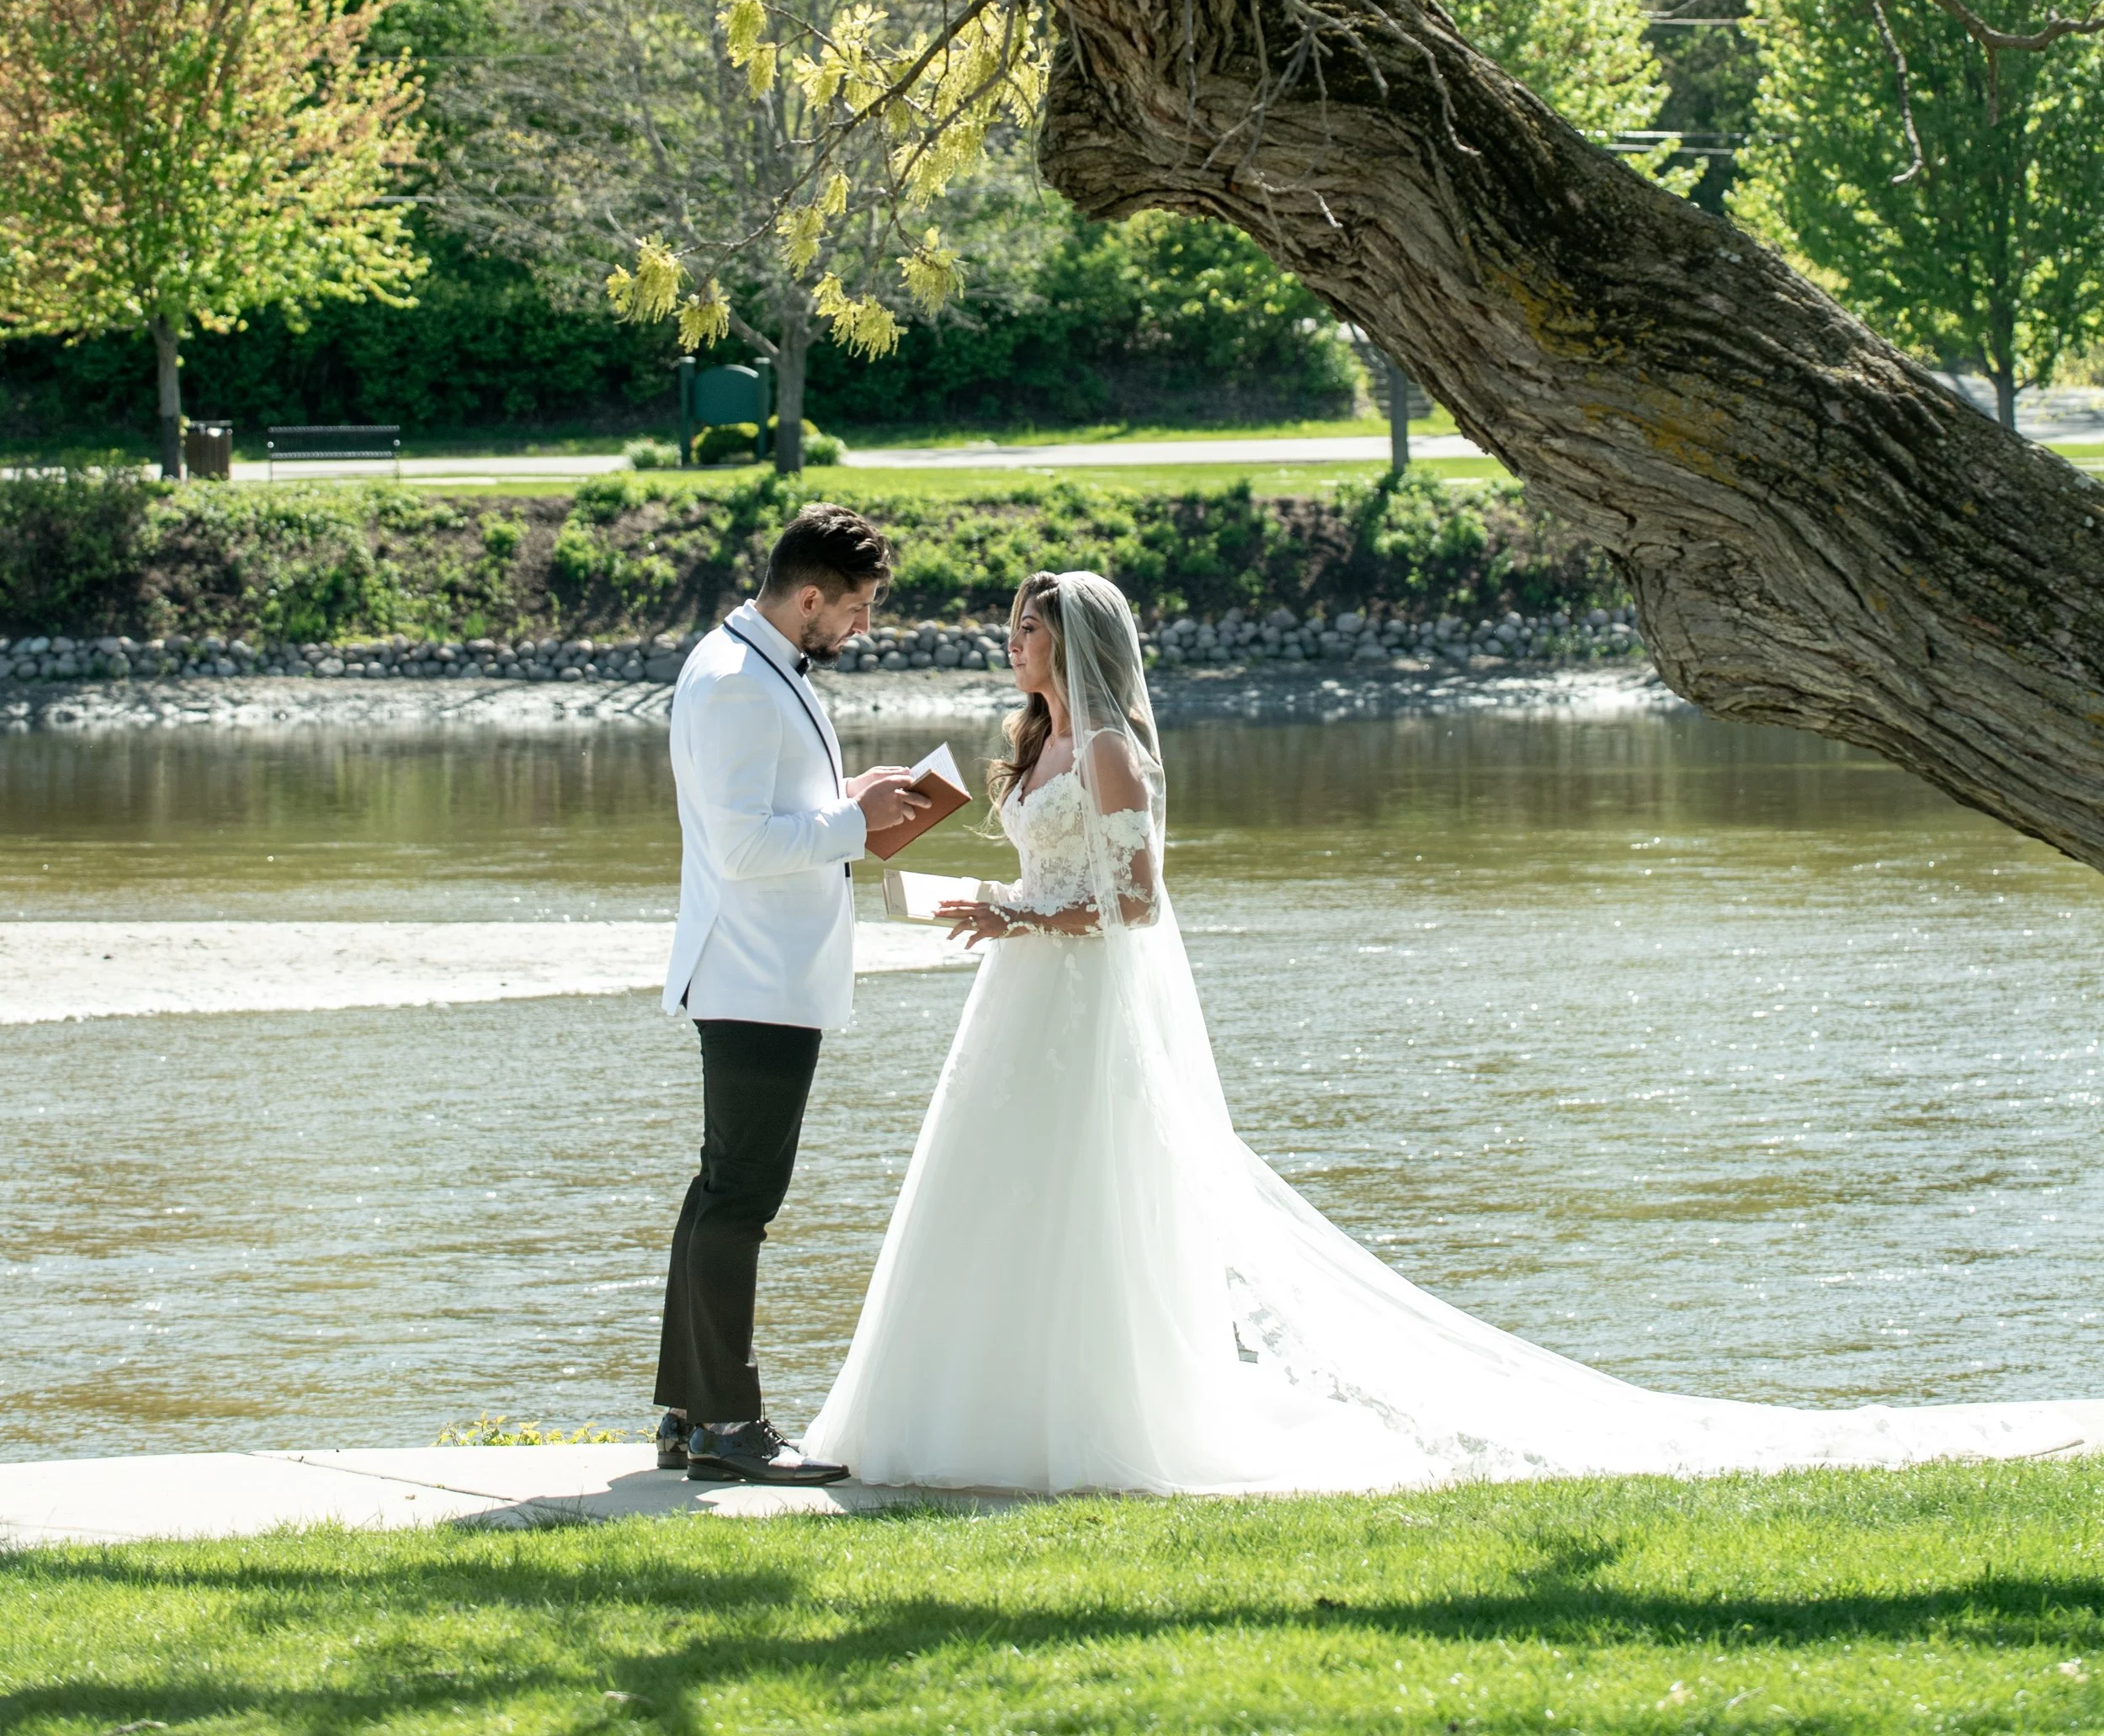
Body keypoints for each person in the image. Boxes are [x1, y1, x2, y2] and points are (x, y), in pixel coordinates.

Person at [805, 567, 2104, 1495]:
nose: (1012, 645)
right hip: (1017, 997)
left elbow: (1137, 903)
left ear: (1075, 640)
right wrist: (994, 903)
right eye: (1014, 629)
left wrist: (1014, 917)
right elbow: (1064, 880)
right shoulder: (1035, 746)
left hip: (1078, 1003)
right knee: (993, 1194)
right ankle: (962, 1410)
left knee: (1087, 1195)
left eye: (1027, 631)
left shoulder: (1116, 756)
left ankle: (1077, 1418)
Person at [653, 501, 927, 1487]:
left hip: (763, 971)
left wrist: (847, 796)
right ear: (807, 597)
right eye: (853, 611)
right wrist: (855, 828)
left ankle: (690, 1414)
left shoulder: (752, 661)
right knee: (740, 1198)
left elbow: (771, 807)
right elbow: (742, 845)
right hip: (753, 972)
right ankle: (730, 1426)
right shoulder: (731, 682)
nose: (861, 629)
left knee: (721, 1190)